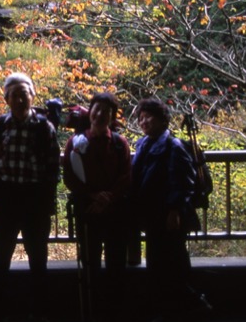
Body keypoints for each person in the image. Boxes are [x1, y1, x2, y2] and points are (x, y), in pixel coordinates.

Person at [0, 73, 60, 318]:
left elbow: (52, 169)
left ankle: (40, 310)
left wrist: (46, 203)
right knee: (0, 258)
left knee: (38, 259)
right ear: (6, 99)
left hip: (34, 201)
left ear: (33, 95)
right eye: (14, 95)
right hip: (6, 200)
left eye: (24, 93)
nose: (19, 99)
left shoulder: (44, 128)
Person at [130, 98, 211, 320]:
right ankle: (178, 307)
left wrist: (174, 210)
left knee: (171, 262)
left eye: (149, 117)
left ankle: (194, 304)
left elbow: (184, 181)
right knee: (161, 262)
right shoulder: (144, 144)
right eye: (141, 117)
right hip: (153, 216)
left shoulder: (173, 146)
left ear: (163, 120)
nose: (144, 121)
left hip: (170, 216)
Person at [61, 93, 131, 320]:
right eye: (97, 109)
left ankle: (115, 312)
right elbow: (69, 177)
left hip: (115, 213)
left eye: (106, 111)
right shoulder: (76, 142)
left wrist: (107, 198)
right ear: (90, 112)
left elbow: (126, 176)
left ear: (112, 117)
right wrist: (93, 196)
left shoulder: (120, 144)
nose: (100, 114)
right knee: (90, 266)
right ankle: (93, 312)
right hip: (87, 212)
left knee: (116, 266)